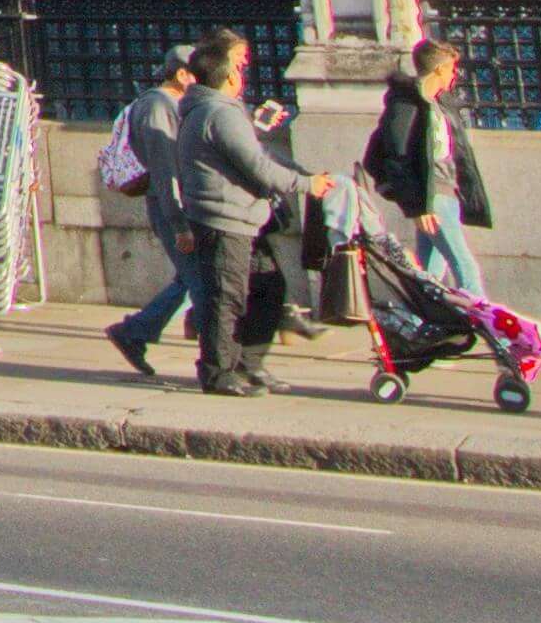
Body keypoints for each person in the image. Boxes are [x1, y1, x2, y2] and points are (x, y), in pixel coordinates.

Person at [172, 27, 326, 394]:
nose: (245, 70)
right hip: (226, 220)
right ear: (228, 74)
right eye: (241, 64)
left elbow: (261, 155)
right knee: (227, 298)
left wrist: (302, 172)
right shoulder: (217, 113)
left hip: (245, 219)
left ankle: (249, 363)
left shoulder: (221, 110)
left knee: (269, 290)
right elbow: (257, 167)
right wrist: (307, 185)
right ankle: (218, 372)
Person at [100, 47, 204, 380]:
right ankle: (136, 332)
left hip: (177, 203)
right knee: (197, 278)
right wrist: (179, 222)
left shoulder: (173, 105)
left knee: (192, 276)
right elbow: (164, 170)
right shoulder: (158, 106)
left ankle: (140, 331)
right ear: (182, 74)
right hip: (169, 205)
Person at [359, 37, 494, 292]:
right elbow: (397, 157)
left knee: (431, 271)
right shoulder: (406, 104)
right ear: (440, 69)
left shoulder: (440, 104)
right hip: (433, 197)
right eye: (452, 69)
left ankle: (417, 325)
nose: (454, 75)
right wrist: (417, 206)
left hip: (448, 193)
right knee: (465, 266)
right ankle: (482, 324)